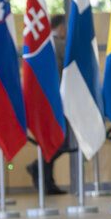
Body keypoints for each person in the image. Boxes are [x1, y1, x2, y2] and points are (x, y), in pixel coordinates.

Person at [26, 14, 68, 195]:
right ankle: (38, 169)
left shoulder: (41, 45)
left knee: (50, 142)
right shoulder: (59, 45)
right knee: (62, 142)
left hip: (43, 102)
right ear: (60, 26)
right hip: (58, 102)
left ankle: (47, 181)